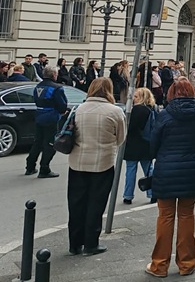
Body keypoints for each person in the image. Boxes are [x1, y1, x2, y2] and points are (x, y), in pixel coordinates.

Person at [145, 79, 195, 278]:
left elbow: (153, 145)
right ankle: (186, 263)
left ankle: (159, 265)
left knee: (165, 216)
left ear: (171, 93)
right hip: (192, 170)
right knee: (187, 215)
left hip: (166, 171)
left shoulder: (164, 115)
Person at [67, 77, 125, 256]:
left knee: (76, 204)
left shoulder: (78, 109)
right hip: (102, 164)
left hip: (77, 163)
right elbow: (121, 138)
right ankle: (91, 244)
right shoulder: (115, 111)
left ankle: (75, 244)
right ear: (109, 90)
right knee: (96, 204)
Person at [25, 66, 67, 179]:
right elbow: (62, 105)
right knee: (49, 144)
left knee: (37, 142)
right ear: (54, 74)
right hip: (51, 117)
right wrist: (62, 111)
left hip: (39, 115)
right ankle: (44, 169)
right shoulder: (57, 88)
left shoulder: (39, 86)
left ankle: (30, 166)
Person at [122, 88, 155, 205]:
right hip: (146, 144)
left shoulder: (135, 111)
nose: (133, 99)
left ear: (141, 98)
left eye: (136, 97)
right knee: (149, 170)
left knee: (130, 171)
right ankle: (152, 194)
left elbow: (129, 128)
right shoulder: (151, 110)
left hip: (132, 145)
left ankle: (128, 195)